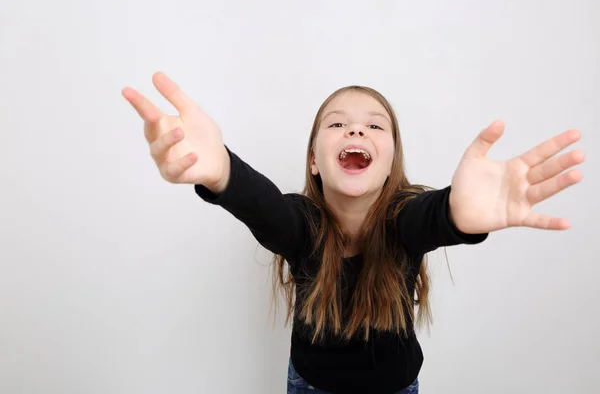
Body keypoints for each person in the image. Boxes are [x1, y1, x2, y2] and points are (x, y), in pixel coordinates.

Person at [122, 72, 585, 394]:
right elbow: (267, 211)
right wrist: (223, 171)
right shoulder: (301, 222)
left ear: (389, 165)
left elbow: (427, 218)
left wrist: (454, 214)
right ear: (313, 161)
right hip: (309, 384)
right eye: (338, 124)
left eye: (374, 126)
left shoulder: (405, 217)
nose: (355, 129)